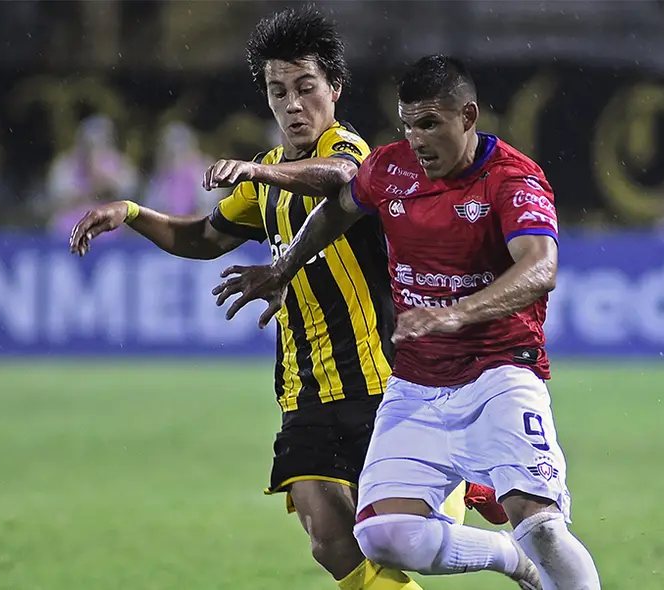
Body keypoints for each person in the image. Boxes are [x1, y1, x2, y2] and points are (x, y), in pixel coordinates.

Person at [67, 10, 503, 590]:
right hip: (307, 385)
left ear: (334, 89)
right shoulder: (269, 176)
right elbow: (204, 238)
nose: (293, 105)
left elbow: (342, 178)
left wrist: (257, 172)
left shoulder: (349, 151)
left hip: (382, 378)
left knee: (404, 538)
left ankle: (479, 499)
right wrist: (132, 212)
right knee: (329, 539)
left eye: (306, 88)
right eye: (279, 92)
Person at [212, 55, 602, 590]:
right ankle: (510, 558)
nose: (417, 140)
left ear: (468, 116)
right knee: (384, 535)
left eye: (430, 124)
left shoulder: (512, 178)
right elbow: (338, 207)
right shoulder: (390, 168)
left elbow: (540, 268)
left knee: (540, 525)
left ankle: (528, 546)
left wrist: (455, 313)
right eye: (408, 125)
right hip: (416, 384)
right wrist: (283, 268)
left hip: (499, 373)